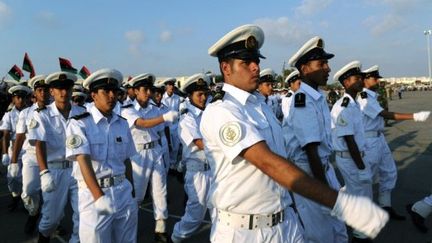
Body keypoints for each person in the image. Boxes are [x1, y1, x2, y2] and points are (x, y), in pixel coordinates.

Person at [202, 24, 388, 243]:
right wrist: (342, 203)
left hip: (283, 220)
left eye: (256, 61)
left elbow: (282, 155)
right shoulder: (222, 111)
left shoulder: (259, 106)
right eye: (246, 62)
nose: (255, 68)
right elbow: (268, 162)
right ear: (226, 68)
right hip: (245, 231)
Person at [283, 36, 348, 242]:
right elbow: (311, 149)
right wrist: (324, 192)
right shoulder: (302, 101)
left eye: (326, 63)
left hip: (323, 170)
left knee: (338, 229)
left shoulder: (316, 97)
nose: (328, 68)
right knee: (320, 234)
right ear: (305, 69)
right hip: (311, 175)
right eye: (321, 64)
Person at [65, 68, 138, 243]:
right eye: (106, 91)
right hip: (93, 194)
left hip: (122, 190)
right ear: (94, 95)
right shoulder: (79, 124)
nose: (112, 96)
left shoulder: (122, 123)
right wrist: (99, 197)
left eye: (114, 91)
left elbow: (126, 159)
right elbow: (83, 161)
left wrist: (132, 190)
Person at [357, 65, 430, 220]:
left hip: (379, 138)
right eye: (374, 78)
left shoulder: (371, 96)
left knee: (389, 172)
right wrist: (415, 116)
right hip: (369, 141)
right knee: (366, 178)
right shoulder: (364, 98)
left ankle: (386, 207)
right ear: (364, 80)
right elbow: (385, 114)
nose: (377, 80)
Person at [27, 71, 85, 243]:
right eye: (58, 89)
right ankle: (43, 237)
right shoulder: (42, 114)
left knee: (83, 215)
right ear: (51, 91)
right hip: (55, 170)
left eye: (67, 88)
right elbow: (39, 144)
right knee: (51, 219)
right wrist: (44, 172)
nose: (63, 92)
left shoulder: (82, 112)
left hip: (78, 168)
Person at [121, 73, 178, 243]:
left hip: (156, 150)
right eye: (144, 89)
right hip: (139, 154)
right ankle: (127, 229)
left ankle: (160, 229)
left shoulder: (154, 108)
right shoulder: (128, 109)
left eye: (149, 89)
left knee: (160, 190)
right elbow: (141, 124)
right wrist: (164, 118)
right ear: (136, 91)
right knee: (137, 195)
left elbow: (162, 129)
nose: (148, 93)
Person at [331, 61, 373, 242]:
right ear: (346, 83)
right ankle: (360, 232)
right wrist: (362, 166)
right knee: (360, 194)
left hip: (353, 156)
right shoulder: (345, 106)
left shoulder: (353, 103)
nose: (361, 80)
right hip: (349, 158)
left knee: (355, 190)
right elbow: (349, 140)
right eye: (357, 78)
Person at [171, 73, 212, 242]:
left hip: (215, 169)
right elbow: (198, 142)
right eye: (199, 94)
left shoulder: (211, 111)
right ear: (190, 96)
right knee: (195, 215)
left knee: (221, 211)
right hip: (198, 173)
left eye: (205, 93)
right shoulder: (186, 117)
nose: (203, 98)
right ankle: (176, 237)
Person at [10, 75, 50, 233]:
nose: (44, 94)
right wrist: (13, 161)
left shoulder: (57, 111)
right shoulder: (26, 113)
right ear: (35, 93)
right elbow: (19, 137)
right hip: (32, 158)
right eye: (40, 90)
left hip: (51, 158)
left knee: (51, 195)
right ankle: (34, 212)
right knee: (28, 191)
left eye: (46, 90)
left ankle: (51, 220)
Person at [1, 84, 31, 211]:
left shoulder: (32, 112)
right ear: (13, 99)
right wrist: (5, 154)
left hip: (28, 150)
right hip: (13, 149)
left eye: (22, 98)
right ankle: (15, 197)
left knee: (27, 177)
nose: (20, 100)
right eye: (17, 97)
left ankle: (27, 201)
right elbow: (6, 134)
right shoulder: (9, 115)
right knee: (12, 177)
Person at [161, 77, 182, 168]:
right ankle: (167, 164)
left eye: (172, 85)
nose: (171, 87)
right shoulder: (162, 98)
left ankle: (172, 164)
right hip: (166, 126)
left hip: (175, 125)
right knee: (167, 146)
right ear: (166, 86)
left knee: (176, 146)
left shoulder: (177, 98)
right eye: (169, 85)